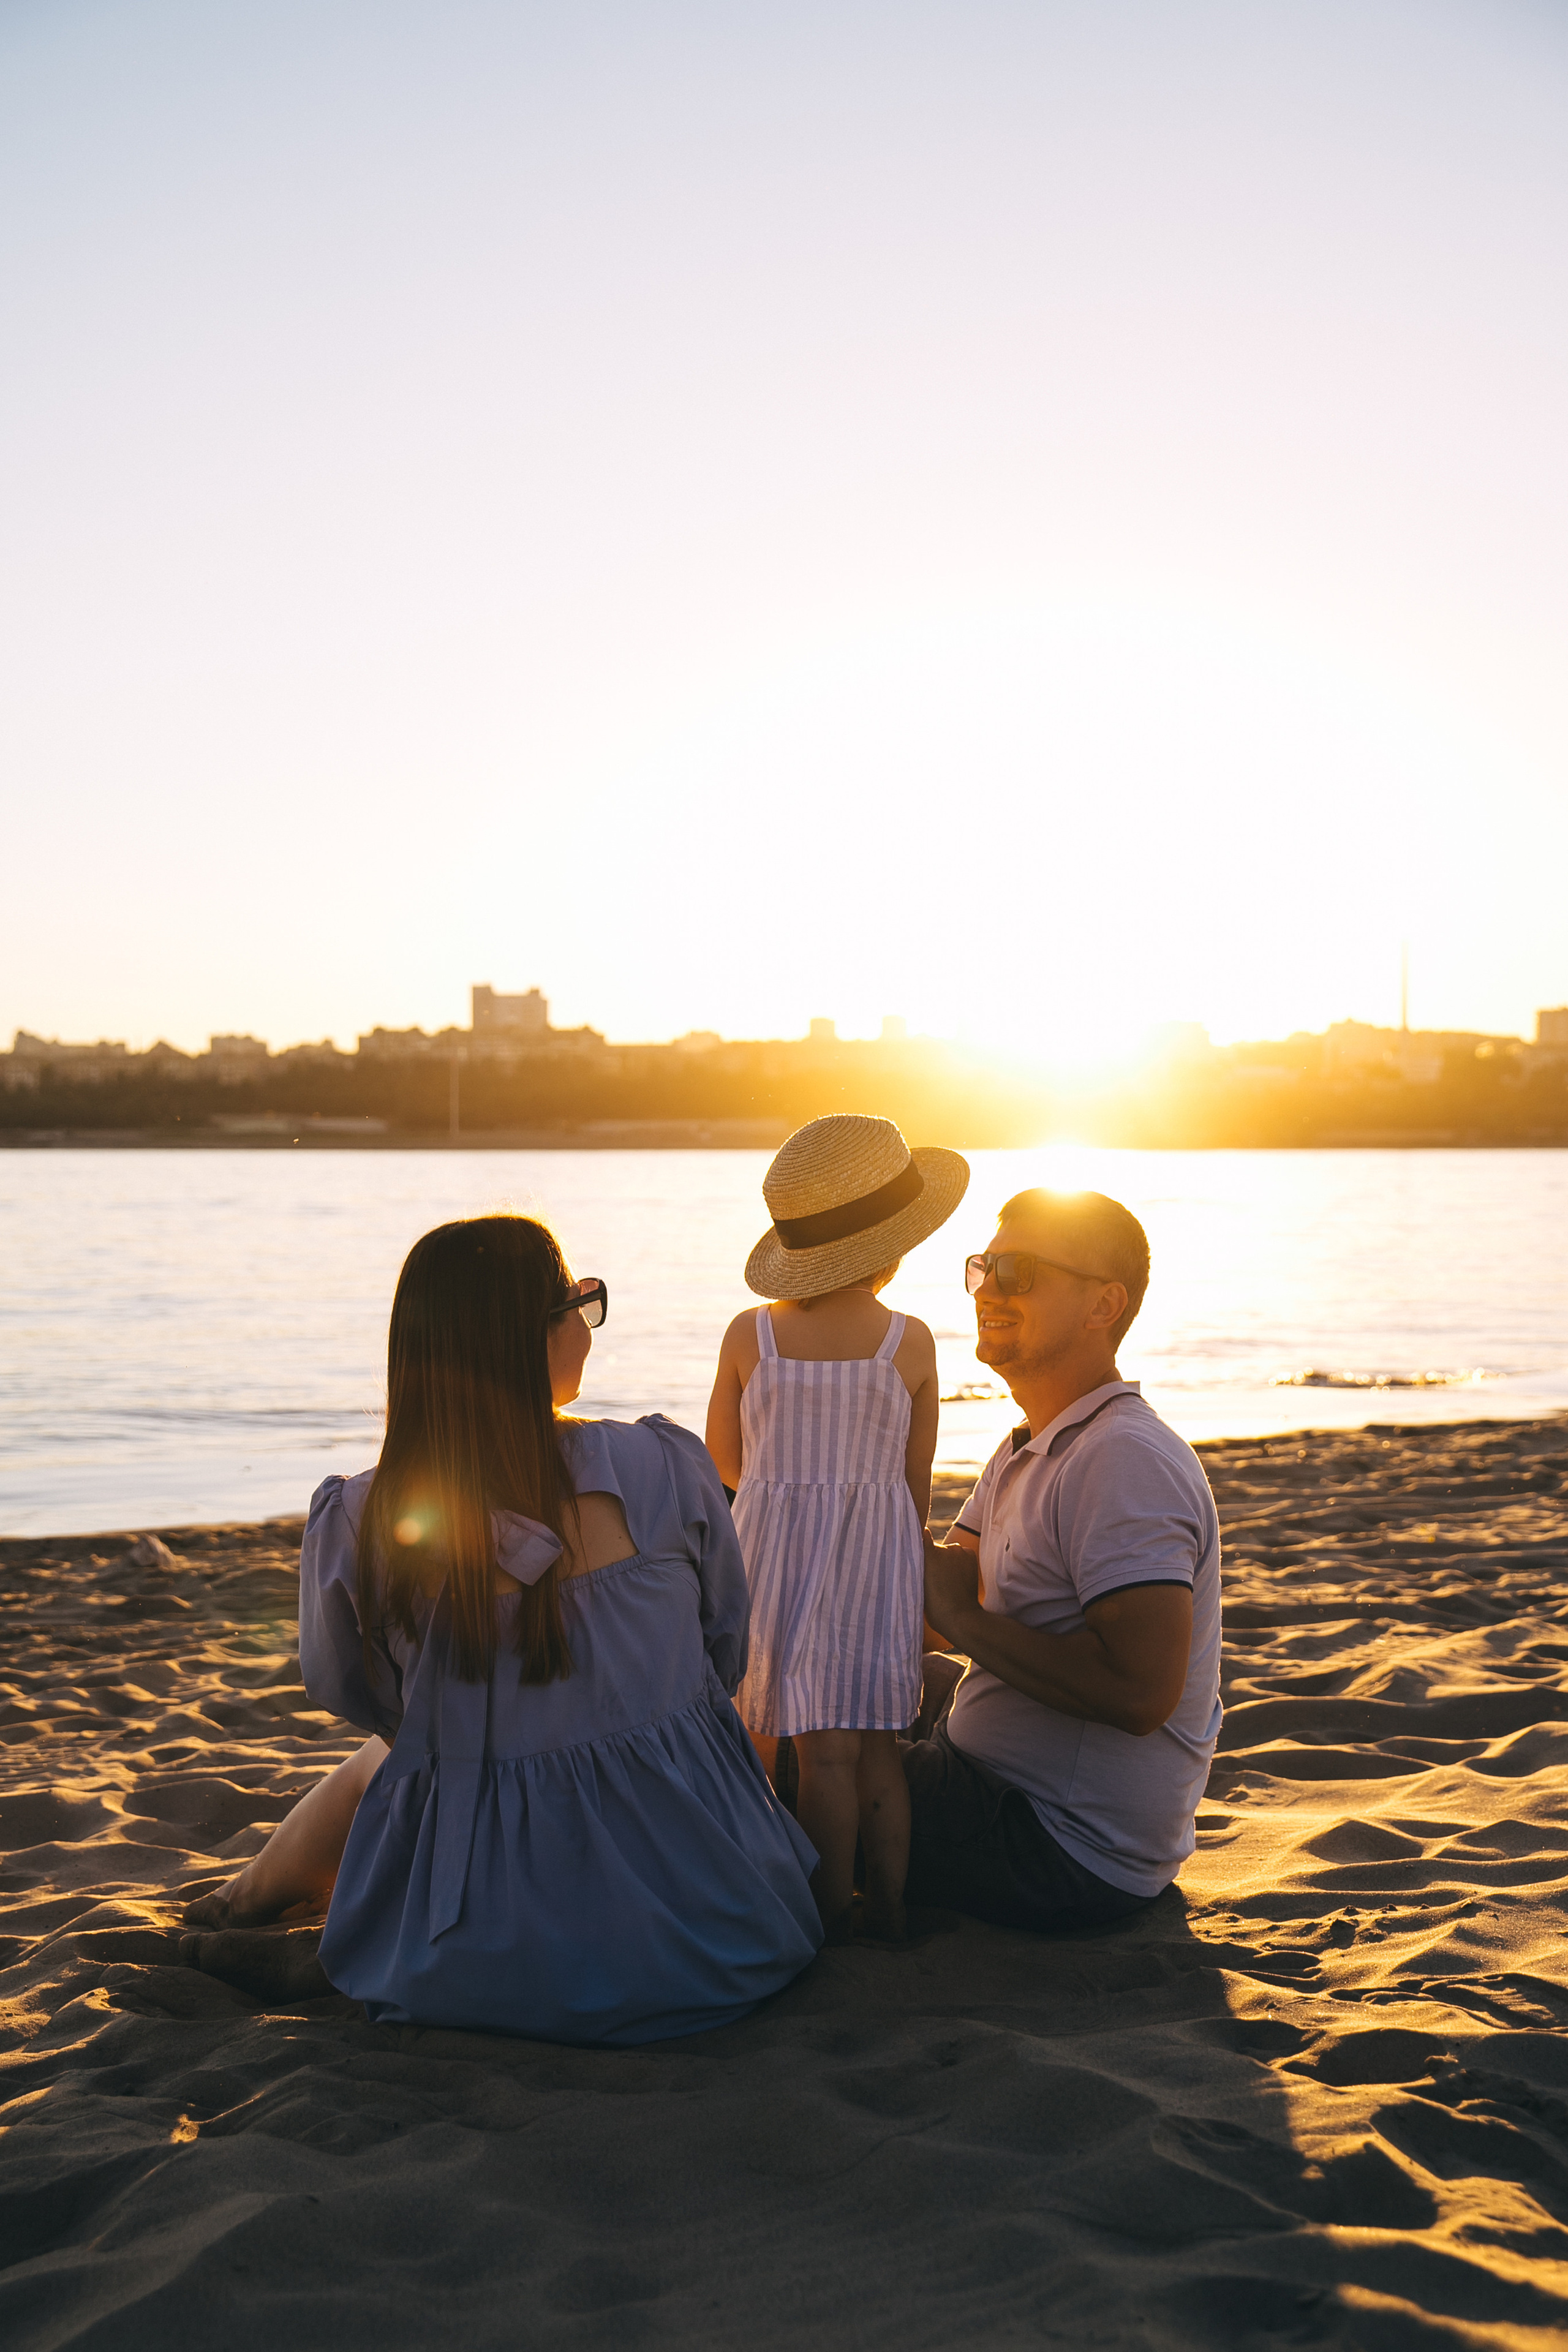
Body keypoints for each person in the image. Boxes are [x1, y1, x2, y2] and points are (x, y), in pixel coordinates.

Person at [189, 1213, 822, 2045]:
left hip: (492, 1963)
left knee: (407, 1748)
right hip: (727, 1934)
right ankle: (251, 1906)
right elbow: (725, 1642)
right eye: (579, 1304)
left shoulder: (363, 1519)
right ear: (536, 1335)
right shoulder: (662, 1467)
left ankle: (240, 1905)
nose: (587, 1327)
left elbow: (356, 1691)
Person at [908, 1186, 1221, 1932]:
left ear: (1102, 1306)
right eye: (984, 1268)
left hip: (1056, 1845)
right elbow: (940, 1608)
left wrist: (951, 1610)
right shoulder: (1032, 1443)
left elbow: (1140, 1693)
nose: (989, 1289)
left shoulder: (1121, 1460)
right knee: (832, 1694)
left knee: (770, 1766)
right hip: (1005, 1783)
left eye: (1019, 1273)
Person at [706, 1114, 968, 1942]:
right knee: (866, 1748)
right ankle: (881, 1901)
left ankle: (800, 1900)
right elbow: (913, 1477)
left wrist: (789, 1493)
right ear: (891, 1250)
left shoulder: (752, 1335)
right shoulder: (911, 1341)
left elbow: (723, 1456)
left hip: (772, 1556)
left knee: (760, 1732)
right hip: (875, 1558)